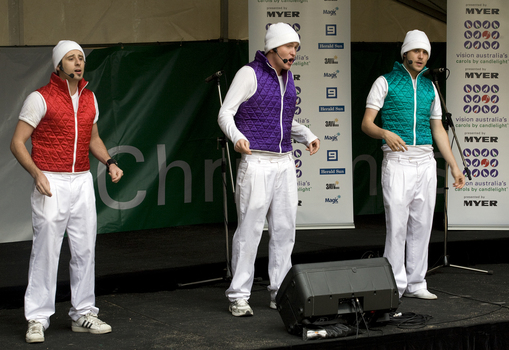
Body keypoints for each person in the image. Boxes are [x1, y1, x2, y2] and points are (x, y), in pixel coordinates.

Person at [10, 40, 123, 343]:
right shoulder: (39, 98)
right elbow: (17, 142)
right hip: (51, 180)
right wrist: (36, 174)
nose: (78, 63)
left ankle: (84, 313)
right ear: (58, 65)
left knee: (85, 248)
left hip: (81, 180)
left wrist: (110, 162)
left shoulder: (90, 99)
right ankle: (37, 318)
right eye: (71, 59)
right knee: (47, 249)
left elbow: (92, 138)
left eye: (81, 58)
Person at [218, 22, 320, 316]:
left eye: (297, 48)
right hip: (257, 162)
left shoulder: (288, 79)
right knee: (249, 231)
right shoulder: (249, 73)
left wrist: (308, 135)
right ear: (273, 48)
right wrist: (237, 137)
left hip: (285, 162)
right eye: (290, 46)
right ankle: (238, 295)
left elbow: (283, 122)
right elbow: (225, 113)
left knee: (285, 230)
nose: (294, 52)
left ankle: (281, 291)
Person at [361, 30, 465, 300]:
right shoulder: (384, 82)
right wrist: (385, 133)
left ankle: (417, 282)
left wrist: (453, 165)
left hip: (426, 160)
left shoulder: (431, 87)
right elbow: (367, 123)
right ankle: (394, 284)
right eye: (416, 51)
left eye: (425, 52)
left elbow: (438, 129)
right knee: (397, 225)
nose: (421, 56)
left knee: (422, 223)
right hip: (398, 161)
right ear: (405, 52)